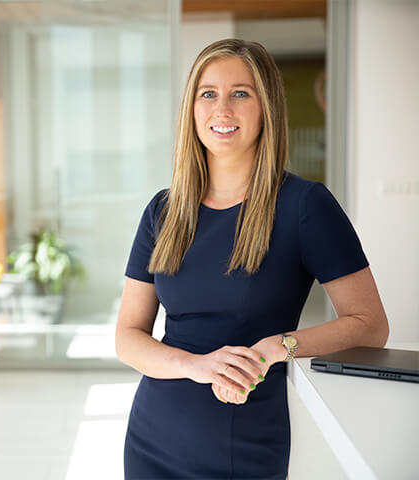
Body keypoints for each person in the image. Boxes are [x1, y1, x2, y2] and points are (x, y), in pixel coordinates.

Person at [116, 38, 389, 480]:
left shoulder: (304, 205)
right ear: (192, 108)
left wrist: (277, 348)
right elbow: (128, 336)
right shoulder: (162, 211)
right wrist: (194, 365)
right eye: (209, 93)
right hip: (153, 435)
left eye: (241, 93)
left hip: (240, 440)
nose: (222, 109)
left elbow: (371, 324)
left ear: (267, 108)